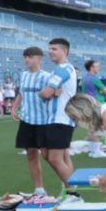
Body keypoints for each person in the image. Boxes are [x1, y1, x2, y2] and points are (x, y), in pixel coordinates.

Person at [14, 45, 65, 194]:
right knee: (31, 154)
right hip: (27, 120)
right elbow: (21, 93)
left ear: (40, 58)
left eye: (30, 57)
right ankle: (39, 189)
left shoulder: (47, 76)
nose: (27, 60)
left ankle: (66, 182)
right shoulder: (23, 75)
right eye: (25, 57)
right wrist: (14, 108)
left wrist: (54, 92)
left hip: (44, 121)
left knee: (49, 156)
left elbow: (58, 92)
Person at [41, 38, 80, 184]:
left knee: (54, 158)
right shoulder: (60, 69)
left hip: (60, 118)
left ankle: (73, 192)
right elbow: (50, 93)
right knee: (55, 155)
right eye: (49, 49)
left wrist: (42, 93)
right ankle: (70, 189)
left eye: (54, 49)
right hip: (55, 119)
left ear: (64, 51)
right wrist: (49, 92)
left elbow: (46, 94)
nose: (50, 52)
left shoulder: (63, 69)